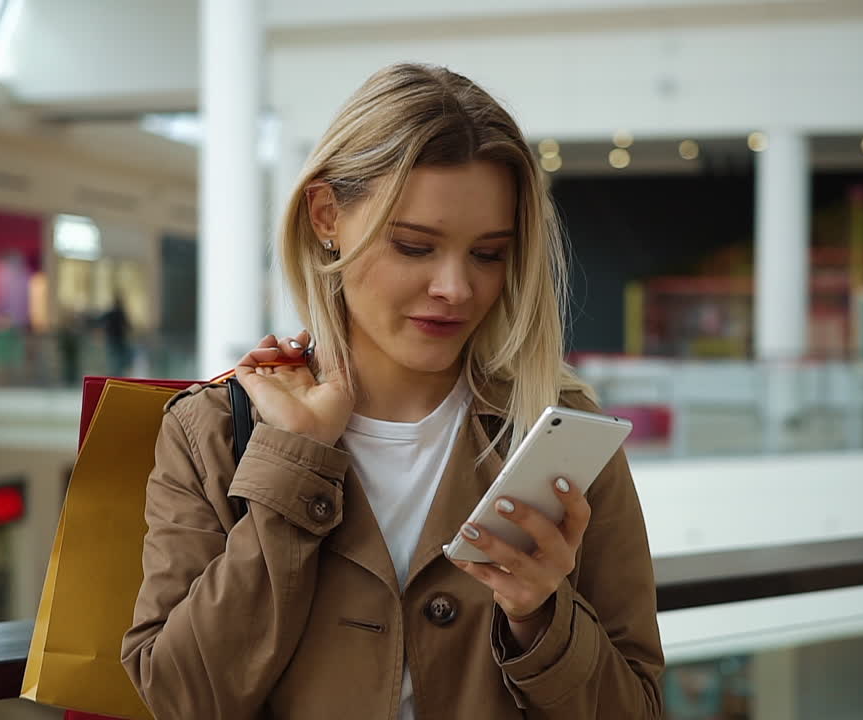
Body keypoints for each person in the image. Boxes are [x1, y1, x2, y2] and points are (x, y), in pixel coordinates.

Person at [121, 64, 664, 719]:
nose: (456, 289)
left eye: (489, 254)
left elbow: (638, 709)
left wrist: (541, 617)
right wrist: (295, 461)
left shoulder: (558, 433)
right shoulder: (210, 431)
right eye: (414, 246)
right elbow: (181, 698)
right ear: (327, 216)